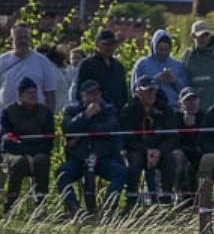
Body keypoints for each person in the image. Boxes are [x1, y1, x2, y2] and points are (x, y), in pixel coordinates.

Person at [56, 79, 128, 214]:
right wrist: (86, 115)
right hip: (78, 158)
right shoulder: (71, 110)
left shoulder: (109, 110)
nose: (94, 97)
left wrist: (82, 134)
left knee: (121, 172)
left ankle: (108, 207)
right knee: (62, 173)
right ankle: (74, 209)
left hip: (102, 158)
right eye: (90, 94)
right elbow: (68, 129)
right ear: (82, 95)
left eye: (97, 94)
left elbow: (108, 129)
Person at [119, 74, 179, 208]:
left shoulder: (165, 109)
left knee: (170, 159)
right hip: (137, 150)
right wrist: (146, 151)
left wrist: (159, 151)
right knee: (134, 161)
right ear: (138, 92)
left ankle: (166, 200)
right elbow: (128, 138)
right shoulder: (128, 110)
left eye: (154, 90)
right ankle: (132, 202)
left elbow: (171, 136)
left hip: (159, 150)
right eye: (147, 90)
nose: (152, 93)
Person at [1, 76, 54, 212]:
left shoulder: (45, 113)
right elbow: (7, 139)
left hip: (38, 151)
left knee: (42, 161)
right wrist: (25, 153)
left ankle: (41, 206)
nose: (33, 96)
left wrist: (33, 153)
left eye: (34, 93)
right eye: (29, 93)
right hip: (15, 152)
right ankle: (10, 205)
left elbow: (49, 140)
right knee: (19, 162)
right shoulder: (8, 113)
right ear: (20, 95)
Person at [0, 23, 61, 110]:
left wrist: (49, 118)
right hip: (6, 118)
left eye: (26, 37)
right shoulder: (2, 61)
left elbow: (50, 94)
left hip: (35, 118)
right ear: (12, 40)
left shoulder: (43, 62)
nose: (23, 41)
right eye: (19, 38)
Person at [131, 30, 190, 108]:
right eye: (161, 49)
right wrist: (155, 80)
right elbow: (135, 89)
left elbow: (187, 91)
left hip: (174, 109)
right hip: (151, 110)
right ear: (154, 47)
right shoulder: (142, 64)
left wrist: (175, 81)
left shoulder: (178, 66)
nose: (164, 53)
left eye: (167, 50)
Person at [73, 29, 128, 109]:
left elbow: (123, 93)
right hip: (96, 114)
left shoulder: (118, 66)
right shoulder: (88, 64)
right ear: (97, 44)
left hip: (117, 114)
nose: (110, 47)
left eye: (112, 44)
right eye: (106, 44)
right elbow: (80, 92)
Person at [171, 87, 206, 204]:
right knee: (178, 158)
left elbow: (206, 139)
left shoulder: (203, 117)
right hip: (182, 152)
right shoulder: (175, 118)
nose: (191, 103)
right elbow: (174, 140)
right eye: (187, 100)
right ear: (181, 103)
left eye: (193, 100)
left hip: (199, 152)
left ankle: (200, 197)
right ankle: (179, 194)